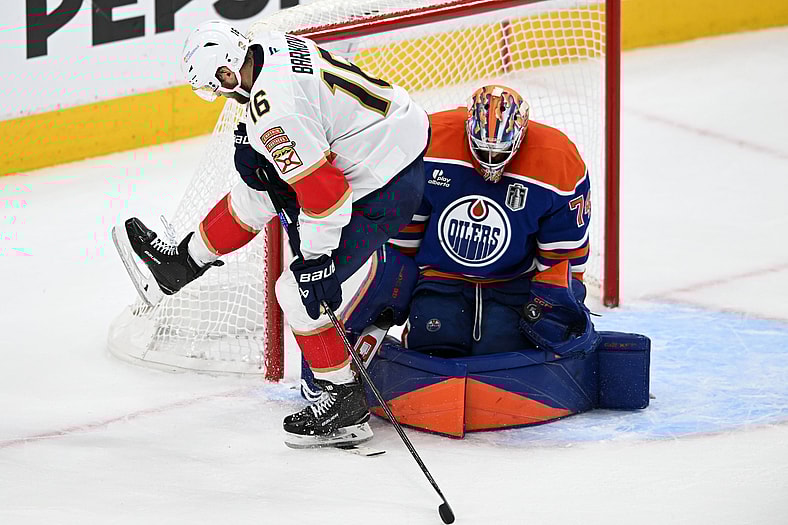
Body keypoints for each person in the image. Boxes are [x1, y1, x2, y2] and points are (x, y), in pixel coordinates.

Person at [113, 20, 430, 448]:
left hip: (386, 179)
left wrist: (317, 261)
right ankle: (182, 264)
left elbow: (328, 195)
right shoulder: (265, 45)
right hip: (377, 137)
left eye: (219, 87)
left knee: (298, 292)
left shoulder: (275, 114)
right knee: (254, 194)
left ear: (226, 73)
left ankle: (344, 402)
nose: (223, 95)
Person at [388, 84, 593, 357]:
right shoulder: (429, 141)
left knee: (502, 356)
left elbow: (562, 256)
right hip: (440, 278)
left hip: (512, 284)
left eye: (499, 152)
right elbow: (403, 232)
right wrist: (392, 288)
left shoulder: (558, 161)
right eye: (482, 150)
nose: (490, 160)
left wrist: (557, 303)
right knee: (433, 349)